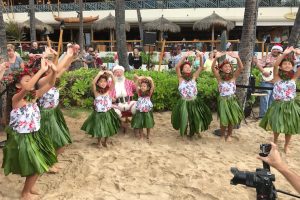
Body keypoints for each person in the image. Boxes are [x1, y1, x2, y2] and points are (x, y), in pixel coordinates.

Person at [2, 55, 57, 200]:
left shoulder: (34, 96)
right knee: (36, 164)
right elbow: (27, 87)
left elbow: (51, 84)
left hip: (35, 135)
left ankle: (30, 188)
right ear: (18, 86)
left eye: (31, 79)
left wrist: (54, 71)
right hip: (22, 138)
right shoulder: (16, 99)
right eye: (27, 79)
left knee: (41, 162)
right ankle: (24, 193)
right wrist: (41, 70)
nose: (31, 82)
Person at [37, 45, 79, 170]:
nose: (50, 66)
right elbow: (57, 68)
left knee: (59, 142)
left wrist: (71, 56)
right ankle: (49, 162)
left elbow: (64, 67)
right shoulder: (41, 81)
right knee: (53, 141)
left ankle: (51, 161)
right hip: (45, 115)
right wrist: (67, 54)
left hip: (54, 112)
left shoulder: (53, 77)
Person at [259, 46, 300, 153]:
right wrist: (283, 54)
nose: (287, 65)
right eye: (285, 64)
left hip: (290, 105)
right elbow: (275, 65)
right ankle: (275, 142)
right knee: (276, 126)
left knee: (289, 127)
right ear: (281, 67)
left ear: (292, 67)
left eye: (289, 64)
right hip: (278, 104)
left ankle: (286, 145)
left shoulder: (294, 78)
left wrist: (298, 54)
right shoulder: (276, 77)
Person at [171, 51, 212, 137]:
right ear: (182, 70)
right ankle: (184, 131)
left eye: (189, 67)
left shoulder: (194, 77)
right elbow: (177, 67)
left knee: (195, 117)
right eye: (185, 67)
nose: (188, 68)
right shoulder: (181, 78)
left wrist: (201, 56)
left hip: (194, 101)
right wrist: (184, 56)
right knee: (185, 118)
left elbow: (201, 67)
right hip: (184, 101)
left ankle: (196, 131)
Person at [81, 71, 120, 148]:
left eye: (105, 81)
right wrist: (99, 74)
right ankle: (99, 142)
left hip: (108, 112)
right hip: (99, 113)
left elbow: (114, 83)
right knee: (100, 128)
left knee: (108, 128)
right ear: (97, 83)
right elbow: (93, 83)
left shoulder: (108, 90)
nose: (103, 83)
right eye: (100, 81)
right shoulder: (96, 92)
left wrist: (112, 75)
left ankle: (105, 141)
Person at [212, 52, 244, 141]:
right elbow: (212, 68)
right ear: (221, 69)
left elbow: (241, 67)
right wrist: (216, 58)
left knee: (231, 120)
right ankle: (222, 135)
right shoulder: (219, 78)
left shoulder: (233, 77)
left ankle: (229, 135)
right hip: (223, 100)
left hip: (232, 100)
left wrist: (237, 57)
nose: (228, 68)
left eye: (229, 67)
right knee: (223, 119)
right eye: (226, 67)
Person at [257, 44, 282, 118]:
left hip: (277, 82)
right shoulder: (267, 56)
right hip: (266, 81)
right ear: (272, 50)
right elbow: (259, 64)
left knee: (274, 99)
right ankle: (263, 116)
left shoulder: (282, 58)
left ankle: (271, 115)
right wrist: (263, 71)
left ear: (280, 51)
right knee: (265, 98)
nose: (276, 51)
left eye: (278, 50)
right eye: (274, 49)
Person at [131, 75, 155, 141]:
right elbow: (136, 85)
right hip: (140, 111)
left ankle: (148, 135)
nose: (142, 87)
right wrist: (138, 79)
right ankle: (141, 135)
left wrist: (150, 80)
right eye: (141, 86)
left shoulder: (149, 93)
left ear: (147, 88)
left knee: (148, 124)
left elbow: (152, 86)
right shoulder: (139, 93)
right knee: (140, 124)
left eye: (144, 86)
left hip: (147, 111)